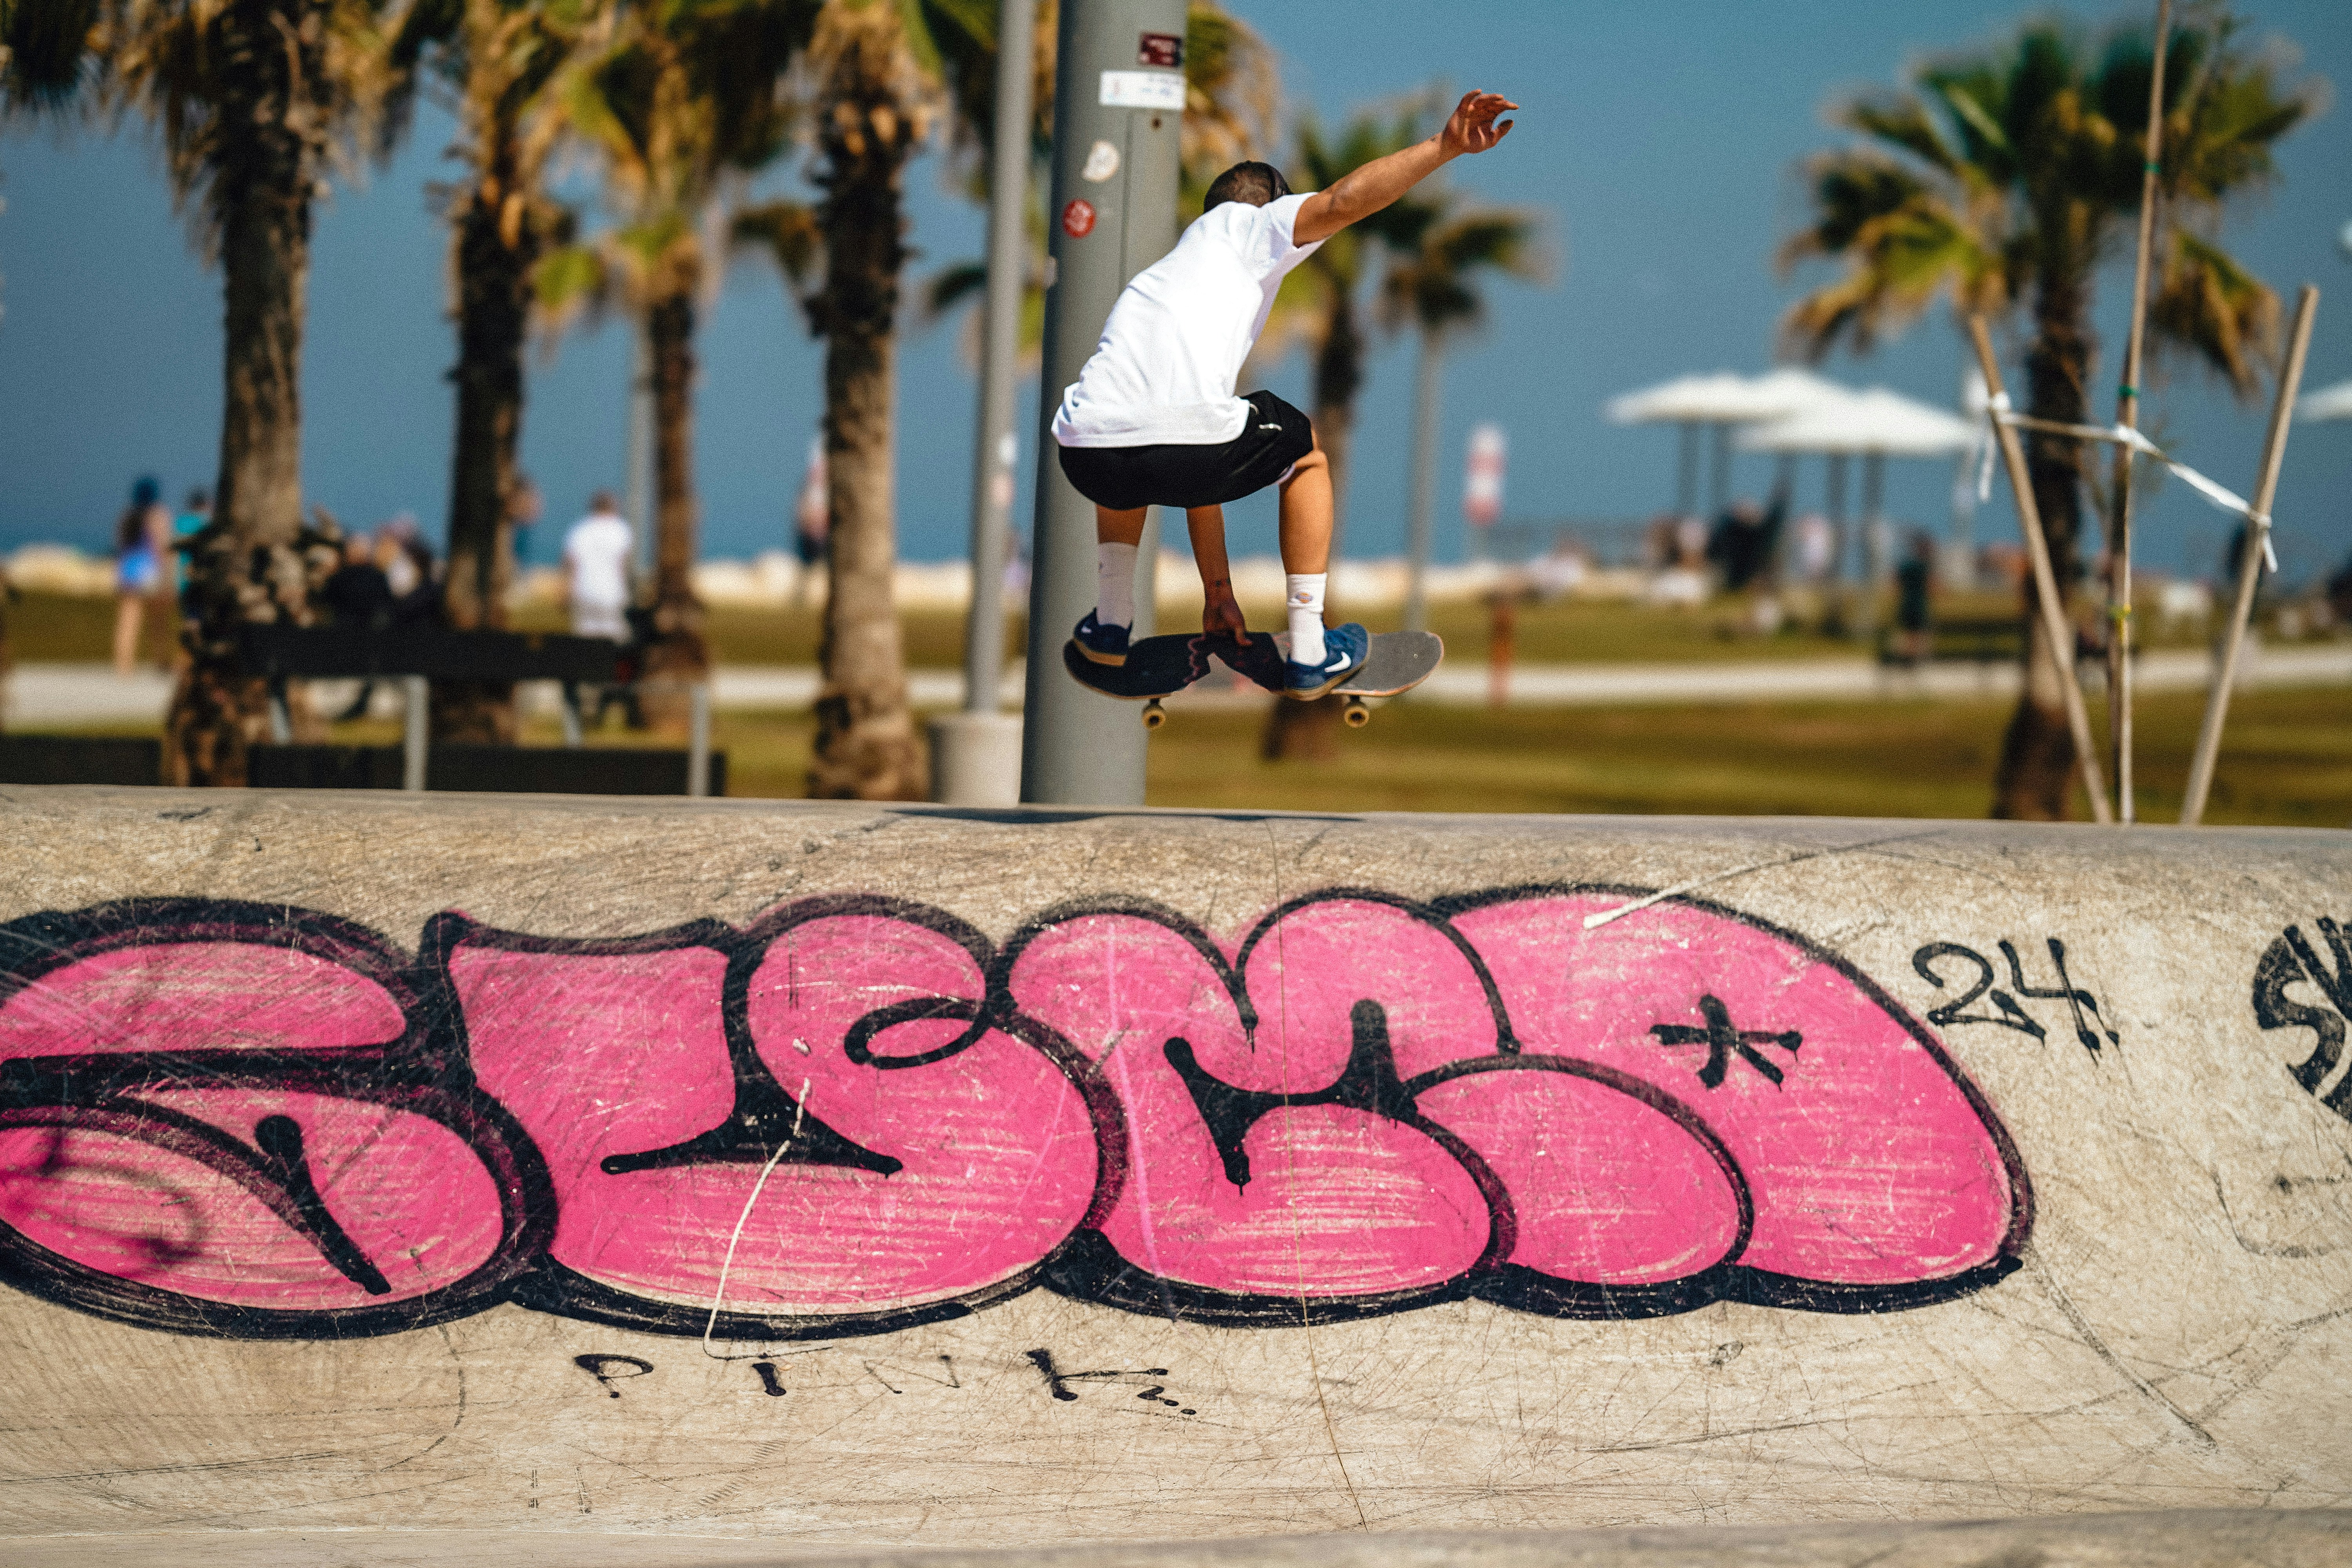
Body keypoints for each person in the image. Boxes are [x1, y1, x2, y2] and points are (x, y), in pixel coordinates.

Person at [1053, 89, 1519, 697]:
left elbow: (1186, 460)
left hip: (1085, 453)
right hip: (1180, 439)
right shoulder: (1252, 226)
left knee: (1127, 438)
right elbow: (1342, 201)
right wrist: (1444, 146)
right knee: (1306, 452)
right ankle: (1309, 648)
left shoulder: (1161, 277)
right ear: (1271, 204)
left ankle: (1110, 626)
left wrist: (1218, 591)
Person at [564, 491, 637, 728]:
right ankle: (615, 701)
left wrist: (567, 591)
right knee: (618, 652)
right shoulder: (620, 530)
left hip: (584, 596)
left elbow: (571, 564)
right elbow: (624, 565)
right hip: (613, 598)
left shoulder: (580, 530)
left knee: (585, 652)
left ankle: (586, 704)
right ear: (613, 508)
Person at [111, 476, 171, 675]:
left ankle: (124, 665)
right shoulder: (158, 515)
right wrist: (166, 576)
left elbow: (120, 547)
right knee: (159, 621)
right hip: (150, 572)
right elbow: (160, 548)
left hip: (128, 572)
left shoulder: (127, 516)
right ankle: (160, 660)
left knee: (128, 621)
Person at [792, 434, 827, 607]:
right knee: (805, 569)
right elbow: (800, 510)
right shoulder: (809, 486)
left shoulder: (825, 485)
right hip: (810, 534)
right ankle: (800, 599)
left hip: (824, 532)